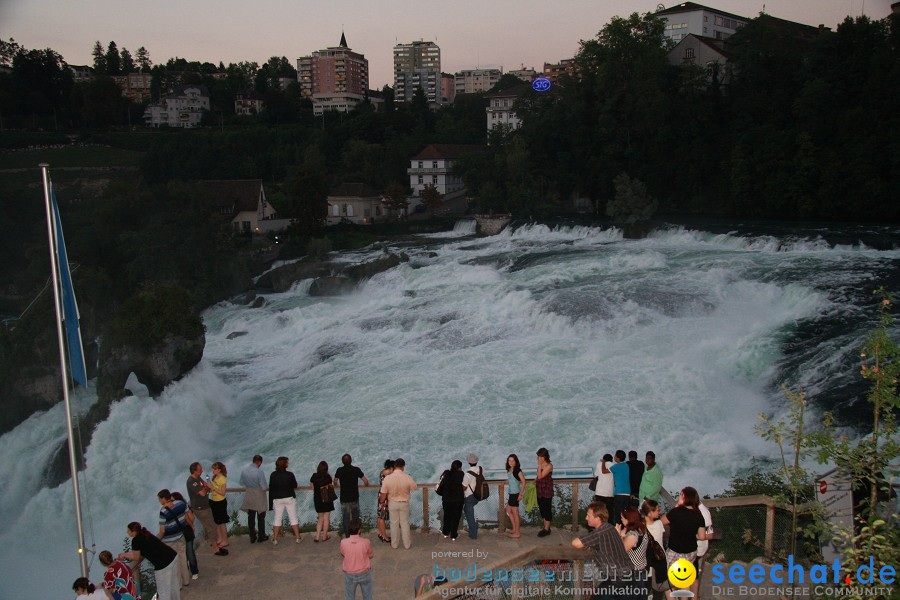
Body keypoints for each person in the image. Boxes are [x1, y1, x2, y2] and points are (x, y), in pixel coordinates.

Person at [571, 502, 636, 599]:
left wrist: (586, 541)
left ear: (597, 518)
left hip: (617, 578)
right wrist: (592, 545)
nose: (586, 518)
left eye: (588, 515)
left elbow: (575, 543)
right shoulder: (610, 528)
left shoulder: (600, 532)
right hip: (628, 575)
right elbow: (604, 544)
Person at [661, 487, 712, 600]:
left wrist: (676, 506)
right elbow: (702, 536)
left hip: (674, 551)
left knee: (669, 581)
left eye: (680, 495)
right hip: (691, 552)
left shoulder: (676, 512)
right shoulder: (698, 514)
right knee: (685, 580)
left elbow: (662, 521)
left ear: (683, 496)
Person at [118, 522, 180, 600]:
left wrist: (123, 555)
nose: (127, 532)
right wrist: (125, 554)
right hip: (172, 555)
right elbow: (137, 552)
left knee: (163, 590)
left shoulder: (135, 540)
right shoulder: (145, 533)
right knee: (174, 584)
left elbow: (136, 556)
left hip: (163, 564)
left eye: (128, 530)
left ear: (133, 531)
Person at [186, 462, 226, 556]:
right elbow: (203, 493)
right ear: (194, 471)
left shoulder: (197, 478)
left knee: (211, 526)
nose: (202, 471)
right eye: (200, 470)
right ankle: (215, 548)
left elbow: (205, 485)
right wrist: (207, 488)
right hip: (201, 508)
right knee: (211, 527)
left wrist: (207, 487)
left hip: (205, 506)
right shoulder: (192, 481)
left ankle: (215, 545)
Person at [379, 457, 417, 549]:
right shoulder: (407, 477)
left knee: (394, 524)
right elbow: (414, 487)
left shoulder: (387, 478)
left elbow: (383, 493)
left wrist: (382, 502)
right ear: (403, 467)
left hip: (392, 503)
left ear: (395, 466)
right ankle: (407, 544)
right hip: (404, 503)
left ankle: (394, 544)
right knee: (405, 523)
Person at [156, 489, 191, 588]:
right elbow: (186, 516)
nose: (159, 501)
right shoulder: (180, 503)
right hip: (180, 535)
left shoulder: (163, 512)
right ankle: (186, 580)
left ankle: (179, 584)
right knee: (183, 557)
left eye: (159, 499)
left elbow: (162, 530)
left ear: (164, 498)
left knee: (175, 562)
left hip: (170, 540)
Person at [617, 506, 650, 599]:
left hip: (632, 575)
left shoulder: (632, 535)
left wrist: (619, 535)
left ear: (629, 519)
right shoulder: (642, 530)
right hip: (640, 571)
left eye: (622, 518)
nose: (621, 520)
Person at [334, 453, 369, 539]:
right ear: (351, 461)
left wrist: (336, 485)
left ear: (342, 462)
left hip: (344, 498)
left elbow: (335, 481)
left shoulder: (339, 470)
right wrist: (366, 485)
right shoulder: (356, 470)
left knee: (345, 518)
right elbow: (365, 481)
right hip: (354, 497)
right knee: (355, 517)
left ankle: (347, 536)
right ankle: (356, 535)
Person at [269, 456, 302, 544]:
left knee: (277, 519)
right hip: (289, 498)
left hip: (277, 499)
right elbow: (295, 485)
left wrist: (270, 504)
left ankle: (275, 539)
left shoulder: (273, 475)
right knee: (293, 518)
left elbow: (271, 488)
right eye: (287, 462)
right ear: (285, 465)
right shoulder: (289, 474)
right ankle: (298, 537)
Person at [340, 518, 374, 600]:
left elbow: (343, 553)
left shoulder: (343, 542)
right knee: (367, 596)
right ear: (359, 530)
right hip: (364, 573)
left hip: (350, 574)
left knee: (349, 597)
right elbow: (371, 554)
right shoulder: (366, 542)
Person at [239, 454, 269, 543]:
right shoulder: (259, 472)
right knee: (261, 516)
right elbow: (264, 487)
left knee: (251, 517)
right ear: (259, 462)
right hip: (258, 495)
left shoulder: (244, 470)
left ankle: (252, 536)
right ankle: (261, 536)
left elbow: (241, 482)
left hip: (249, 494)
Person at [170, 492, 198, 580]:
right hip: (180, 533)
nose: (172, 502)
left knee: (189, 552)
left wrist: (186, 518)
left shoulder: (184, 507)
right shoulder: (170, 509)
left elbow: (192, 519)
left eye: (173, 500)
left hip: (187, 532)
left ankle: (194, 571)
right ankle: (185, 572)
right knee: (182, 554)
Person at [438, 460, 465, 540]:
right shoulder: (461, 474)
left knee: (447, 516)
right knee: (456, 518)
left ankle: (445, 533)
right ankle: (453, 535)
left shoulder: (446, 473)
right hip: (458, 500)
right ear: (460, 467)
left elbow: (441, 480)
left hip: (447, 499)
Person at [311, 460, 335, 542]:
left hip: (318, 499)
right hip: (327, 499)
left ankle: (317, 536)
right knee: (326, 518)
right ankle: (324, 536)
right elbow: (330, 486)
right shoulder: (328, 477)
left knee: (320, 518)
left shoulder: (314, 476)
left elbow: (312, 487)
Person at [461, 453, 483, 540]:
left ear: (468, 462)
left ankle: (473, 534)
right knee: (468, 511)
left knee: (469, 513)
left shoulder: (467, 474)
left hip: (470, 496)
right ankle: (472, 527)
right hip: (479, 494)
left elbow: (464, 487)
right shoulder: (481, 469)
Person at [505, 454, 526, 538]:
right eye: (509, 460)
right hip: (511, 494)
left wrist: (521, 494)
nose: (511, 462)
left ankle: (517, 533)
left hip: (515, 494)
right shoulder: (510, 469)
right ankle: (514, 529)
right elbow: (511, 479)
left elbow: (524, 482)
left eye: (513, 460)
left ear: (516, 461)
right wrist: (504, 482)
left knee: (515, 513)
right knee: (508, 510)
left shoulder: (518, 470)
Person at [535, 447, 554, 537]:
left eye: (542, 457)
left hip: (547, 490)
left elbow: (540, 476)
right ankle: (545, 526)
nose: (540, 459)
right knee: (542, 508)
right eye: (539, 457)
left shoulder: (549, 466)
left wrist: (539, 465)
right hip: (540, 490)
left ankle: (547, 529)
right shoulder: (541, 465)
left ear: (546, 457)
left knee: (547, 509)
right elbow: (537, 478)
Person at [376, 459, 394, 544]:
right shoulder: (387, 476)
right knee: (382, 517)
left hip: (380, 495)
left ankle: (381, 533)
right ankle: (385, 537)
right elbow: (386, 489)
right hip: (384, 497)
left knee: (379, 516)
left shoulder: (382, 472)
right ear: (390, 468)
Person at [593, 453, 615, 524]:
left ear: (603, 459)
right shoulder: (613, 465)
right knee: (609, 512)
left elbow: (596, 475)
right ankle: (609, 527)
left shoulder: (599, 464)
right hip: (609, 493)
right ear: (611, 460)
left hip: (599, 492)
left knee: (599, 512)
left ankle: (599, 527)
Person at [610, 450, 631, 523]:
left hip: (619, 493)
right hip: (627, 493)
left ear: (618, 458)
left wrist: (603, 462)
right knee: (625, 515)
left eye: (615, 455)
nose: (614, 457)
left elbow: (604, 471)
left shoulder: (616, 466)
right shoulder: (626, 465)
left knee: (618, 515)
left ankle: (618, 531)